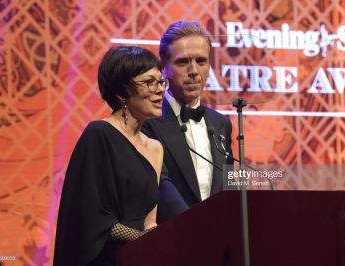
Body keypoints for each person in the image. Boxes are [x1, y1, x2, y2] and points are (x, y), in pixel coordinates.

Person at [54, 46, 167, 265]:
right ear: (122, 91)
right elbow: (92, 218)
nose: (160, 90)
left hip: (139, 257)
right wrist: (143, 238)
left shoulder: (155, 148)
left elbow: (150, 221)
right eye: (149, 82)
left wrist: (158, 240)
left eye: (161, 81)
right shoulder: (98, 134)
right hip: (105, 257)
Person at [142, 21, 233, 223]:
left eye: (201, 61)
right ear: (163, 68)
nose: (193, 70)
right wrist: (199, 229)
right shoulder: (147, 121)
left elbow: (229, 185)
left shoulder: (221, 124)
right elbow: (160, 186)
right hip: (172, 239)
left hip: (220, 239)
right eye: (183, 62)